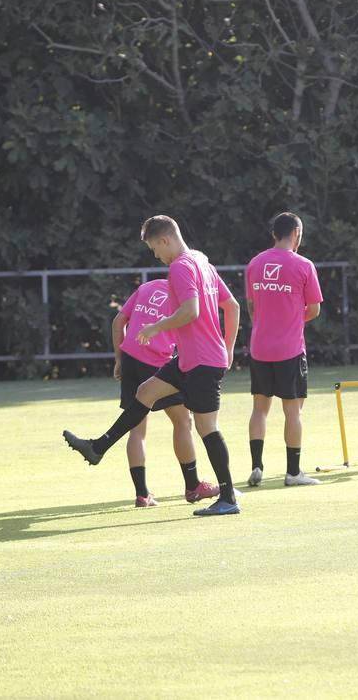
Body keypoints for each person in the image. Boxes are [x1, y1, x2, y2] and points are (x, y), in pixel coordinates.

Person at [64, 215, 243, 517]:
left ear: (165, 240)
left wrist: (156, 327)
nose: (155, 255)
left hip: (201, 361)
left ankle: (228, 498)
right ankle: (98, 448)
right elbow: (233, 306)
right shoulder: (202, 262)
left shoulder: (181, 267)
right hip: (190, 358)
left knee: (205, 427)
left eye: (154, 249)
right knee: (146, 392)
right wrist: (228, 348)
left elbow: (191, 311)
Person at [111, 277, 219, 507]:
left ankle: (142, 495)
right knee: (183, 422)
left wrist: (119, 359)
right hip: (157, 362)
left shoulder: (147, 287)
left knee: (137, 429)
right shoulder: (184, 297)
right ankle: (193, 487)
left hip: (130, 357)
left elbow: (118, 320)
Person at [244, 212, 323, 488]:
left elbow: (252, 305)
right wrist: (290, 318)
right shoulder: (303, 265)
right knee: (293, 412)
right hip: (289, 349)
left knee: (259, 409)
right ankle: (293, 472)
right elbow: (314, 309)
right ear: (297, 234)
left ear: (273, 234)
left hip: (259, 348)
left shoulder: (255, 263)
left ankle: (256, 466)